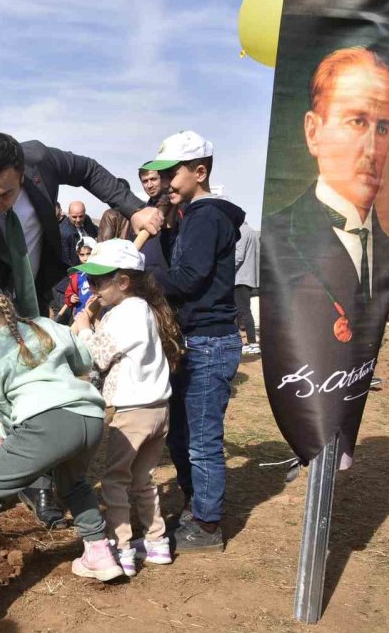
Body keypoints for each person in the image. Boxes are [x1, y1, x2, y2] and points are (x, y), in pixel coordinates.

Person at [0, 131, 164, 527]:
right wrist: (17, 347)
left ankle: (37, 483)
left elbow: (88, 170)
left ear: (23, 175)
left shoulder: (39, 160)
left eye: (5, 194)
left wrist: (134, 208)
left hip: (29, 293)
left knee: (38, 392)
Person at [0, 280, 117, 617]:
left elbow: (8, 418)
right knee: (72, 482)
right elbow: (84, 361)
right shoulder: (45, 325)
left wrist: (10, 429)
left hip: (46, 425)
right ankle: (99, 554)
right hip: (89, 418)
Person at [261, 47, 389, 464]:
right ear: (313, 131)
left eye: (382, 127)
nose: (371, 146)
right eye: (356, 121)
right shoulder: (278, 237)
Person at [143, 130, 245, 552]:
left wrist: (136, 276)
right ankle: (194, 505)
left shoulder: (206, 217)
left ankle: (206, 525)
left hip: (209, 341)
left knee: (201, 439)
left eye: (173, 173)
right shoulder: (189, 216)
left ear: (200, 172)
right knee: (181, 436)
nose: (165, 181)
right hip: (192, 340)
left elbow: (187, 279)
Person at [70, 239, 182, 576]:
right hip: (158, 409)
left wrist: (85, 328)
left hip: (134, 411)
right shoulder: (142, 309)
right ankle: (157, 541)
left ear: (123, 281)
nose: (92, 289)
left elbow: (99, 356)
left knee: (115, 480)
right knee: (143, 478)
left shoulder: (126, 313)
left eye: (98, 281)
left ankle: (121, 548)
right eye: (89, 281)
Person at [234, 221, 260, 354]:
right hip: (247, 277)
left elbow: (238, 256)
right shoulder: (251, 231)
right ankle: (250, 342)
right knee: (243, 311)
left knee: (243, 311)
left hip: (240, 278)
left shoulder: (242, 231)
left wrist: (225, 270)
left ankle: (251, 343)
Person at [62, 237, 97, 317]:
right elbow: (68, 294)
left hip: (98, 315)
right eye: (82, 255)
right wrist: (71, 298)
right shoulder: (76, 275)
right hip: (80, 315)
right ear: (78, 255)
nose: (85, 258)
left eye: (88, 254)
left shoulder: (101, 273)